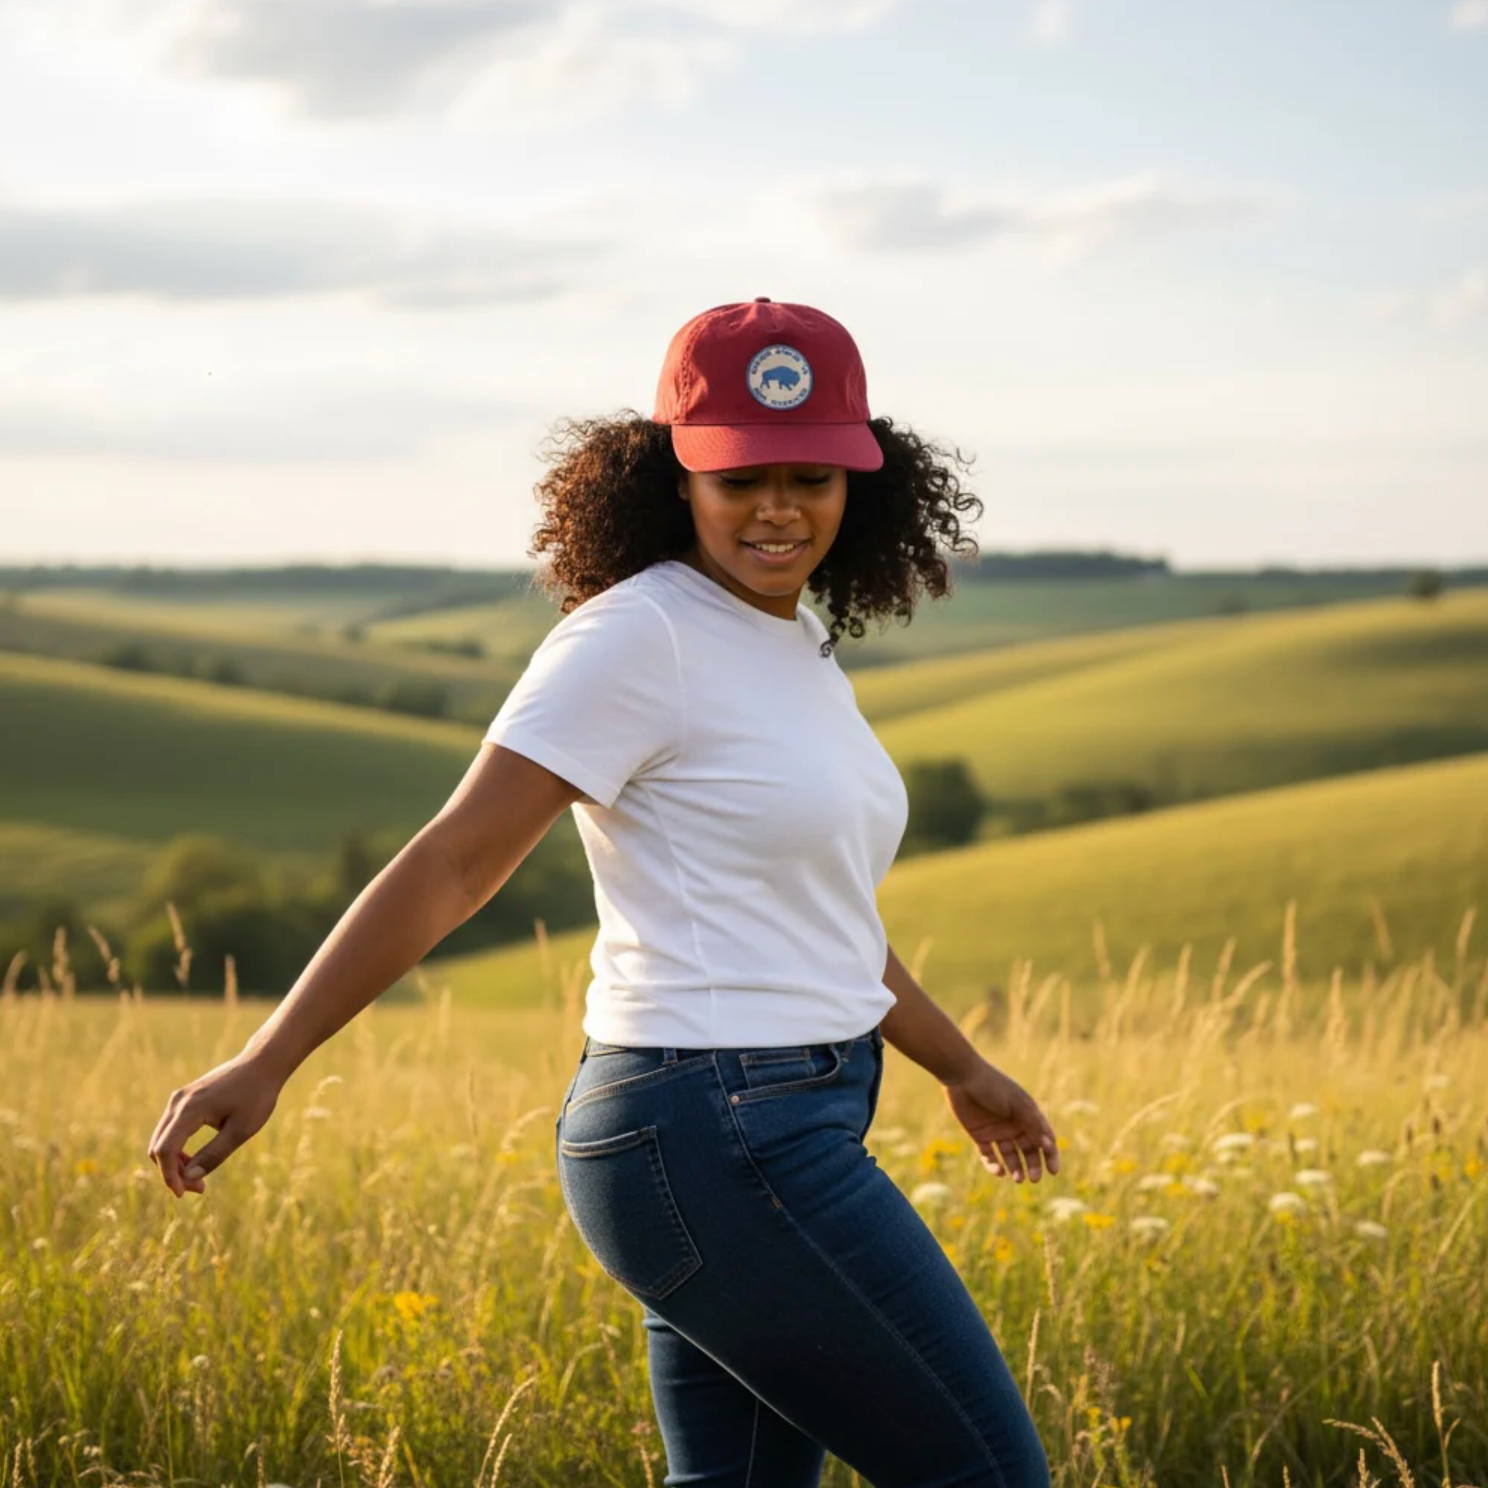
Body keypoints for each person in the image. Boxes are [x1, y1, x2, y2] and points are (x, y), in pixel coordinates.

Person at [147, 297, 1060, 1488]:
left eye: (812, 477)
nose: (778, 509)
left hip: (770, 1119)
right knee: (988, 1474)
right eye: (740, 478)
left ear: (861, 485)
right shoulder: (636, 639)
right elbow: (456, 860)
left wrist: (963, 1067)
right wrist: (269, 1056)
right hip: (719, 1130)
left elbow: (819, 921)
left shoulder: (792, 646)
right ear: (676, 476)